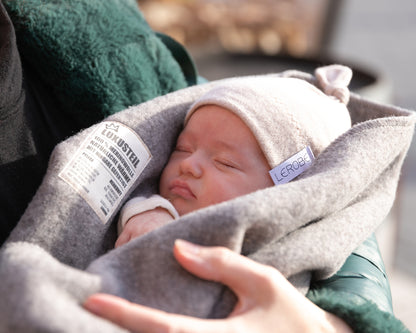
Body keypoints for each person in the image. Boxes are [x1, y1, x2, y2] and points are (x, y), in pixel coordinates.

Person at [116, 68, 351, 248]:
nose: (188, 165)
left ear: (281, 190)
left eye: (224, 162)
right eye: (182, 148)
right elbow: (139, 205)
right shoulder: (162, 211)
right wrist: (149, 214)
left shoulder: (283, 245)